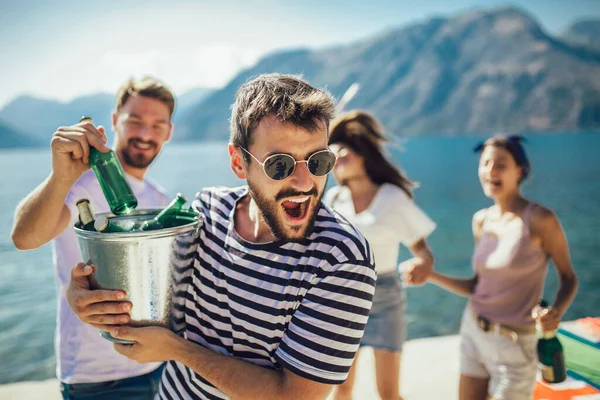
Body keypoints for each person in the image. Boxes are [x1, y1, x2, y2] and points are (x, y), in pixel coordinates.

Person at [66, 73, 377, 400]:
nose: (304, 182)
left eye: (318, 161)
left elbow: (294, 396)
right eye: (279, 165)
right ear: (238, 163)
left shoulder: (343, 259)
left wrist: (178, 350)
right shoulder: (208, 210)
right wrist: (84, 296)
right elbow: (149, 288)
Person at [11, 76, 176, 399]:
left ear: (168, 133)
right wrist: (61, 176)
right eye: (135, 121)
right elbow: (24, 238)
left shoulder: (160, 199)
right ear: (114, 122)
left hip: (159, 366)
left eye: (157, 125)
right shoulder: (78, 183)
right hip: (97, 379)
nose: (145, 134)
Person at [426, 135, 579, 400]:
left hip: (515, 344)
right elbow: (477, 285)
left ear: (520, 171)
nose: (490, 171)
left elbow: (568, 277)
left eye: (500, 164)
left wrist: (556, 311)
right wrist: (431, 275)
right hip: (473, 332)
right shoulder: (481, 220)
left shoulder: (540, 219)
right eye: (485, 163)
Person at [323, 111, 436, 400]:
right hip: (343, 297)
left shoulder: (391, 197)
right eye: (334, 151)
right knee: (343, 388)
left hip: (385, 298)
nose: (340, 154)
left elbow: (422, 250)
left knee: (388, 394)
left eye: (347, 149)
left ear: (364, 154)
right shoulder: (334, 199)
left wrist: (422, 265)